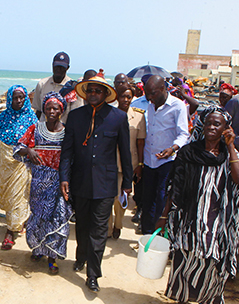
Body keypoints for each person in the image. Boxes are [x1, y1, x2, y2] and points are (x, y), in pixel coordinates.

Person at [156, 106, 239, 304]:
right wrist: (164, 215)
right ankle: (181, 300)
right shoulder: (189, 152)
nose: (211, 127)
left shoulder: (228, 156)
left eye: (217, 124)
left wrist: (232, 145)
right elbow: (174, 187)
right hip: (189, 217)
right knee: (186, 256)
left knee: (211, 259)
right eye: (208, 123)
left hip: (216, 219)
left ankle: (206, 295)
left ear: (226, 128)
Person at [60, 71, 133, 292]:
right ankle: (81, 256)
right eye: (89, 90)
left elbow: (125, 152)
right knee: (81, 224)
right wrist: (64, 177)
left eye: (97, 91)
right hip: (79, 180)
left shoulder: (118, 117)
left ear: (105, 94)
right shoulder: (75, 116)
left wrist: (127, 183)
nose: (93, 94)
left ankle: (93, 273)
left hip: (105, 182)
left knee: (99, 229)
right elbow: (67, 151)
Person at [14, 92, 73, 274]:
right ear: (44, 110)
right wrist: (29, 151)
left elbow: (72, 156)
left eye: (55, 108)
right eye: (48, 108)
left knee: (57, 219)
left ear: (61, 111)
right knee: (38, 217)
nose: (52, 111)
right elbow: (18, 148)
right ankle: (38, 249)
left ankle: (52, 257)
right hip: (39, 182)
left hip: (58, 183)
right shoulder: (35, 129)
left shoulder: (67, 132)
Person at [0, 85, 38, 250]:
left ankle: (10, 231)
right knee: (6, 195)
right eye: (15, 98)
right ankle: (18, 222)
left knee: (18, 197)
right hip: (4, 165)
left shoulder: (31, 117)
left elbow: (36, 141)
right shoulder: (4, 116)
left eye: (21, 97)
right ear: (10, 99)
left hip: (21, 165)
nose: (18, 101)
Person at [140, 75, 190, 235]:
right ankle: (147, 232)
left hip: (166, 161)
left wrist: (172, 148)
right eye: (147, 93)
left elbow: (184, 134)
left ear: (163, 89)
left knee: (161, 199)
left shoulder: (178, 106)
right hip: (149, 160)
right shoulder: (150, 104)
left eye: (153, 93)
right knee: (146, 199)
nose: (149, 97)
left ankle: (158, 234)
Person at [108, 80, 146, 238]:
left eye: (129, 97)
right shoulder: (110, 114)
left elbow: (140, 142)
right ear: (118, 97)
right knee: (109, 198)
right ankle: (108, 229)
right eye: (123, 96)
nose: (126, 100)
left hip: (128, 164)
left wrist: (139, 164)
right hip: (110, 163)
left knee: (121, 198)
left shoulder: (138, 116)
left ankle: (118, 225)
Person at [33, 52, 75, 123]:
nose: (58, 69)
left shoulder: (72, 87)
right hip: (43, 129)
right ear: (52, 65)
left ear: (67, 68)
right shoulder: (42, 84)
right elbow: (38, 111)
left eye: (62, 67)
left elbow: (75, 115)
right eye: (56, 66)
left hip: (63, 130)